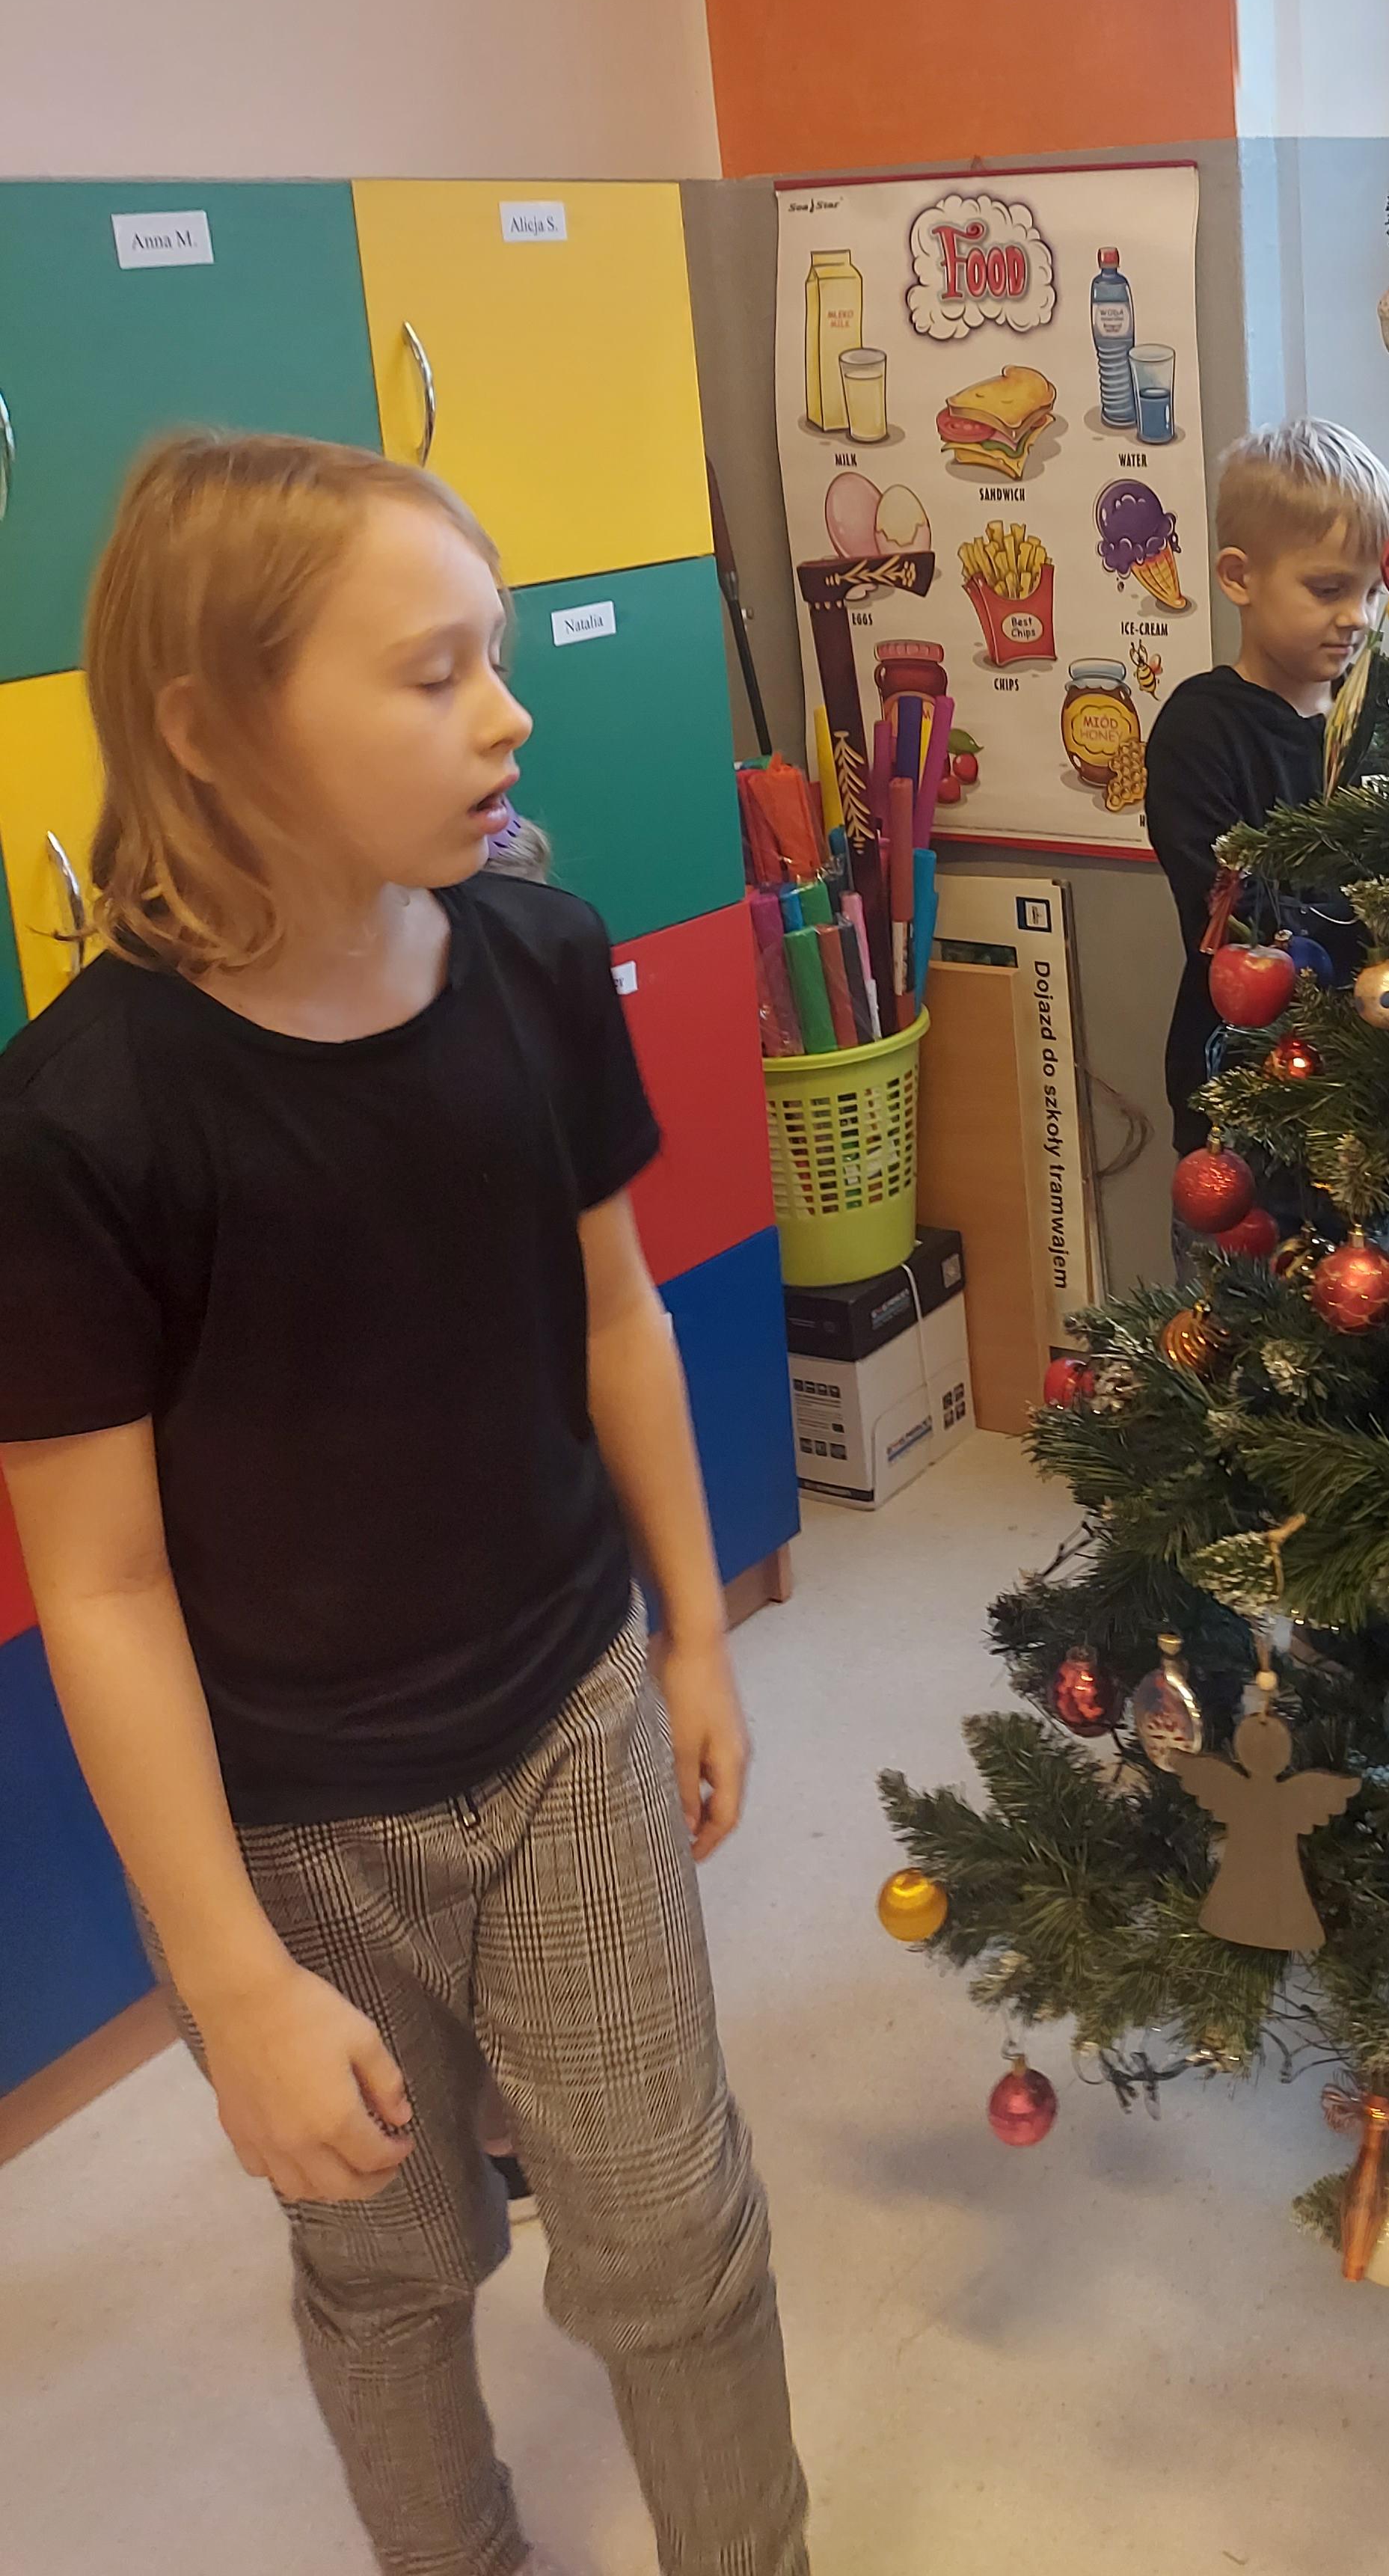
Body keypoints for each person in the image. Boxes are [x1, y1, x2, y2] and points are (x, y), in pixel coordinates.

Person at [0, 433, 807, 2576]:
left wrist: (695, 1629)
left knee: (671, 2230)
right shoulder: (80, 1120)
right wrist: (232, 1975)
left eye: (500, 656)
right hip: (293, 1831)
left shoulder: (537, 961)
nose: (509, 715)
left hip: (569, 1727)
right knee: (388, 2263)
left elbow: (619, 1318)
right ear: (210, 726)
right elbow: (100, 1584)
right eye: (434, 672)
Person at [1144, 417, 1389, 1167]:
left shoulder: (1380, 716)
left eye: (1374, 591)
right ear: (1239, 577)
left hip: (1379, 1079)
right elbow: (1236, 916)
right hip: (1248, 1085)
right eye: (1328, 589)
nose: (1358, 618)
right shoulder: (1200, 730)